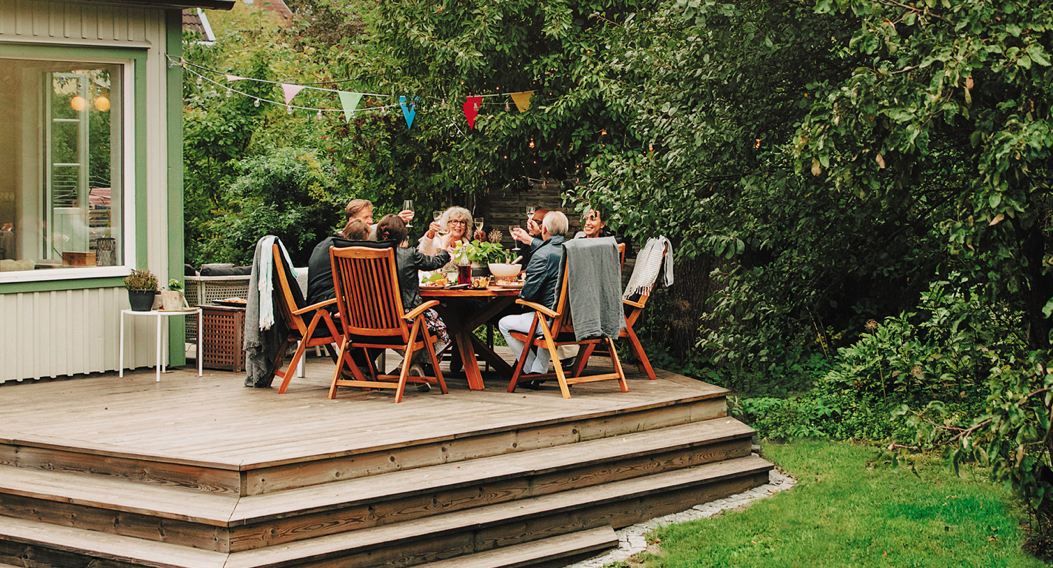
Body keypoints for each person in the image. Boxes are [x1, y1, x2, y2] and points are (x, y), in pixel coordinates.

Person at [377, 215, 452, 386]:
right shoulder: (408, 254)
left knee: (428, 322)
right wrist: (444, 247)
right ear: (403, 235)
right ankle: (412, 365)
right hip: (405, 318)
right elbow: (436, 262)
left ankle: (413, 365)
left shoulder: (366, 253)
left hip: (372, 320)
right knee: (437, 324)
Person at [498, 211, 569, 378]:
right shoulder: (574, 250)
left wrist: (522, 300)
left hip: (550, 321)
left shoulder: (542, 256)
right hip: (574, 320)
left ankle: (529, 370)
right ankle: (539, 369)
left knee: (504, 323)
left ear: (544, 229)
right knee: (547, 318)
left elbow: (528, 294)